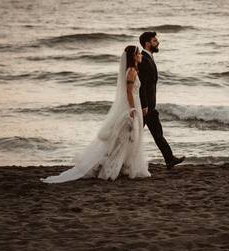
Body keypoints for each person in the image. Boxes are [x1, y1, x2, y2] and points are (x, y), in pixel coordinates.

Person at [41, 45, 150, 183]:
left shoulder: (132, 70)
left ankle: (124, 166)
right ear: (133, 57)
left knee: (128, 138)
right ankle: (114, 167)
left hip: (134, 104)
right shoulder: (132, 71)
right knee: (126, 138)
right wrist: (133, 109)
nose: (140, 55)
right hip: (132, 105)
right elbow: (129, 92)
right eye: (138, 53)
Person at [138, 31, 184, 169]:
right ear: (147, 43)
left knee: (157, 134)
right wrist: (144, 105)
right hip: (145, 108)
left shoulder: (149, 57)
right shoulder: (144, 60)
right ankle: (114, 159)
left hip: (150, 107)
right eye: (154, 41)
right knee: (131, 138)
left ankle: (169, 159)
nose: (158, 43)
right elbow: (142, 85)